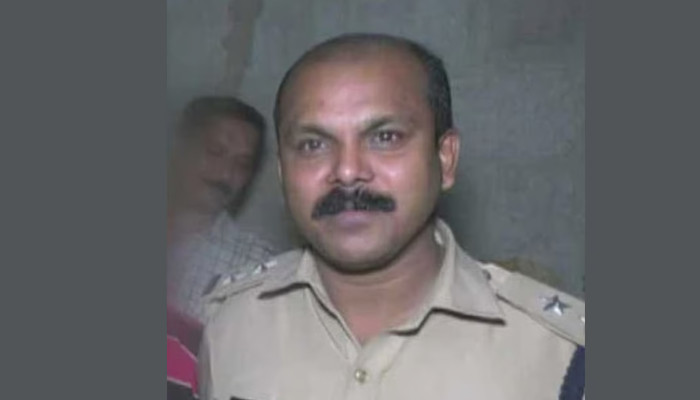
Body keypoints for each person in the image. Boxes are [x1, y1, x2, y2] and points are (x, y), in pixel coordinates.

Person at [198, 33, 585, 400]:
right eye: (313, 144)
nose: (347, 171)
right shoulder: (229, 323)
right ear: (283, 174)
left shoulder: (559, 354)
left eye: (385, 137)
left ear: (445, 159)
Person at [167, 96, 276, 322]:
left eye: (242, 164)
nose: (226, 174)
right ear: (181, 148)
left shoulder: (255, 266)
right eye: (215, 152)